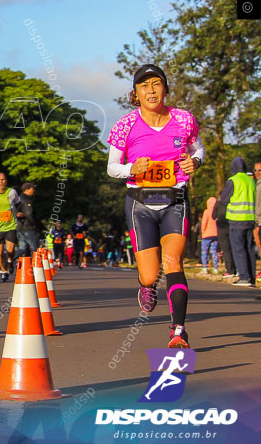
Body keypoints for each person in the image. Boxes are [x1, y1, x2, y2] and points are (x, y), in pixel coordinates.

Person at [107, 63, 203, 348]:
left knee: (173, 261)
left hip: (175, 199)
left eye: (156, 84)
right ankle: (146, 286)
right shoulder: (125, 125)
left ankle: (178, 330)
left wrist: (194, 160)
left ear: (165, 88)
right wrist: (131, 169)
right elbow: (112, 168)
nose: (151, 91)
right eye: (144, 86)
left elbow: (198, 148)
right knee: (150, 274)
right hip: (140, 204)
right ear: (135, 93)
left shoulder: (184, 119)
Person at [219, 157, 256, 287]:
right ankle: (251, 277)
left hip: (236, 220)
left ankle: (244, 277)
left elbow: (223, 200)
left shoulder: (233, 181)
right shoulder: (251, 181)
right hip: (250, 219)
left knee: (238, 249)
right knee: (249, 248)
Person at [16, 182, 38, 259]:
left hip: (20, 227)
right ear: (27, 190)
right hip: (28, 227)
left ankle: (10, 259)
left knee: (22, 248)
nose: (34, 190)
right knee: (34, 248)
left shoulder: (18, 199)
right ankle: (35, 266)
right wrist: (34, 224)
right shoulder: (27, 200)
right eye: (32, 188)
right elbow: (29, 214)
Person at [200, 197, 219, 274]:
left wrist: (202, 232)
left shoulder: (207, 212)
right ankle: (215, 268)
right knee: (214, 251)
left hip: (206, 235)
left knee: (204, 252)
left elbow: (204, 223)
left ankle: (205, 267)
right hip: (216, 235)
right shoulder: (217, 212)